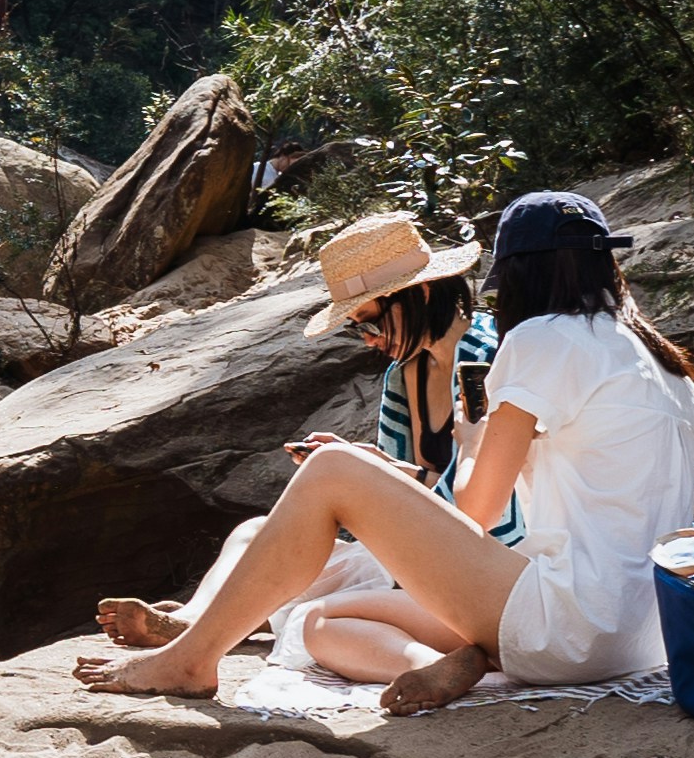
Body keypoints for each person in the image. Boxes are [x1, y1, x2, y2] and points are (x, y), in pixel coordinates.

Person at [69, 193, 694, 715]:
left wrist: (470, 436)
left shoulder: (543, 338)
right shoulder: (668, 367)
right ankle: (432, 666)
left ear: (515, 278)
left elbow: (477, 510)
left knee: (329, 470)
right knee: (318, 622)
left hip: (566, 623)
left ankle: (189, 660)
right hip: (643, 635)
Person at [107, 213, 517, 684]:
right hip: (419, 557)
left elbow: (496, 501)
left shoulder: (486, 360)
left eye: (370, 322)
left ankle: (201, 638)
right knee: (254, 535)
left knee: (311, 614)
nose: (369, 340)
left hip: (483, 559)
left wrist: (378, 477)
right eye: (358, 329)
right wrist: (376, 468)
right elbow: (415, 486)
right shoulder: (404, 375)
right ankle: (191, 622)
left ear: (420, 294)